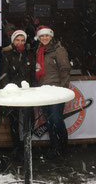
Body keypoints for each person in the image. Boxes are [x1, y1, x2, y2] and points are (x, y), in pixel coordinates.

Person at [34, 25, 71, 158]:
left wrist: (63, 89)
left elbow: (65, 69)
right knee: (49, 121)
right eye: (42, 36)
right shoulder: (39, 51)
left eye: (47, 35)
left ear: (51, 36)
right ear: (39, 38)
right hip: (43, 90)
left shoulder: (58, 50)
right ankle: (54, 147)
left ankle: (64, 147)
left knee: (56, 119)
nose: (44, 38)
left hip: (56, 91)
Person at [0, 30, 36, 160]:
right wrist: (9, 89)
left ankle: (27, 146)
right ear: (13, 41)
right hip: (13, 94)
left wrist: (33, 89)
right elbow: (3, 75)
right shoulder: (7, 55)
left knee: (28, 119)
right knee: (14, 122)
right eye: (17, 40)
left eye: (22, 40)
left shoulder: (30, 55)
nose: (20, 42)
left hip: (27, 94)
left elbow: (33, 76)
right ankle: (17, 147)